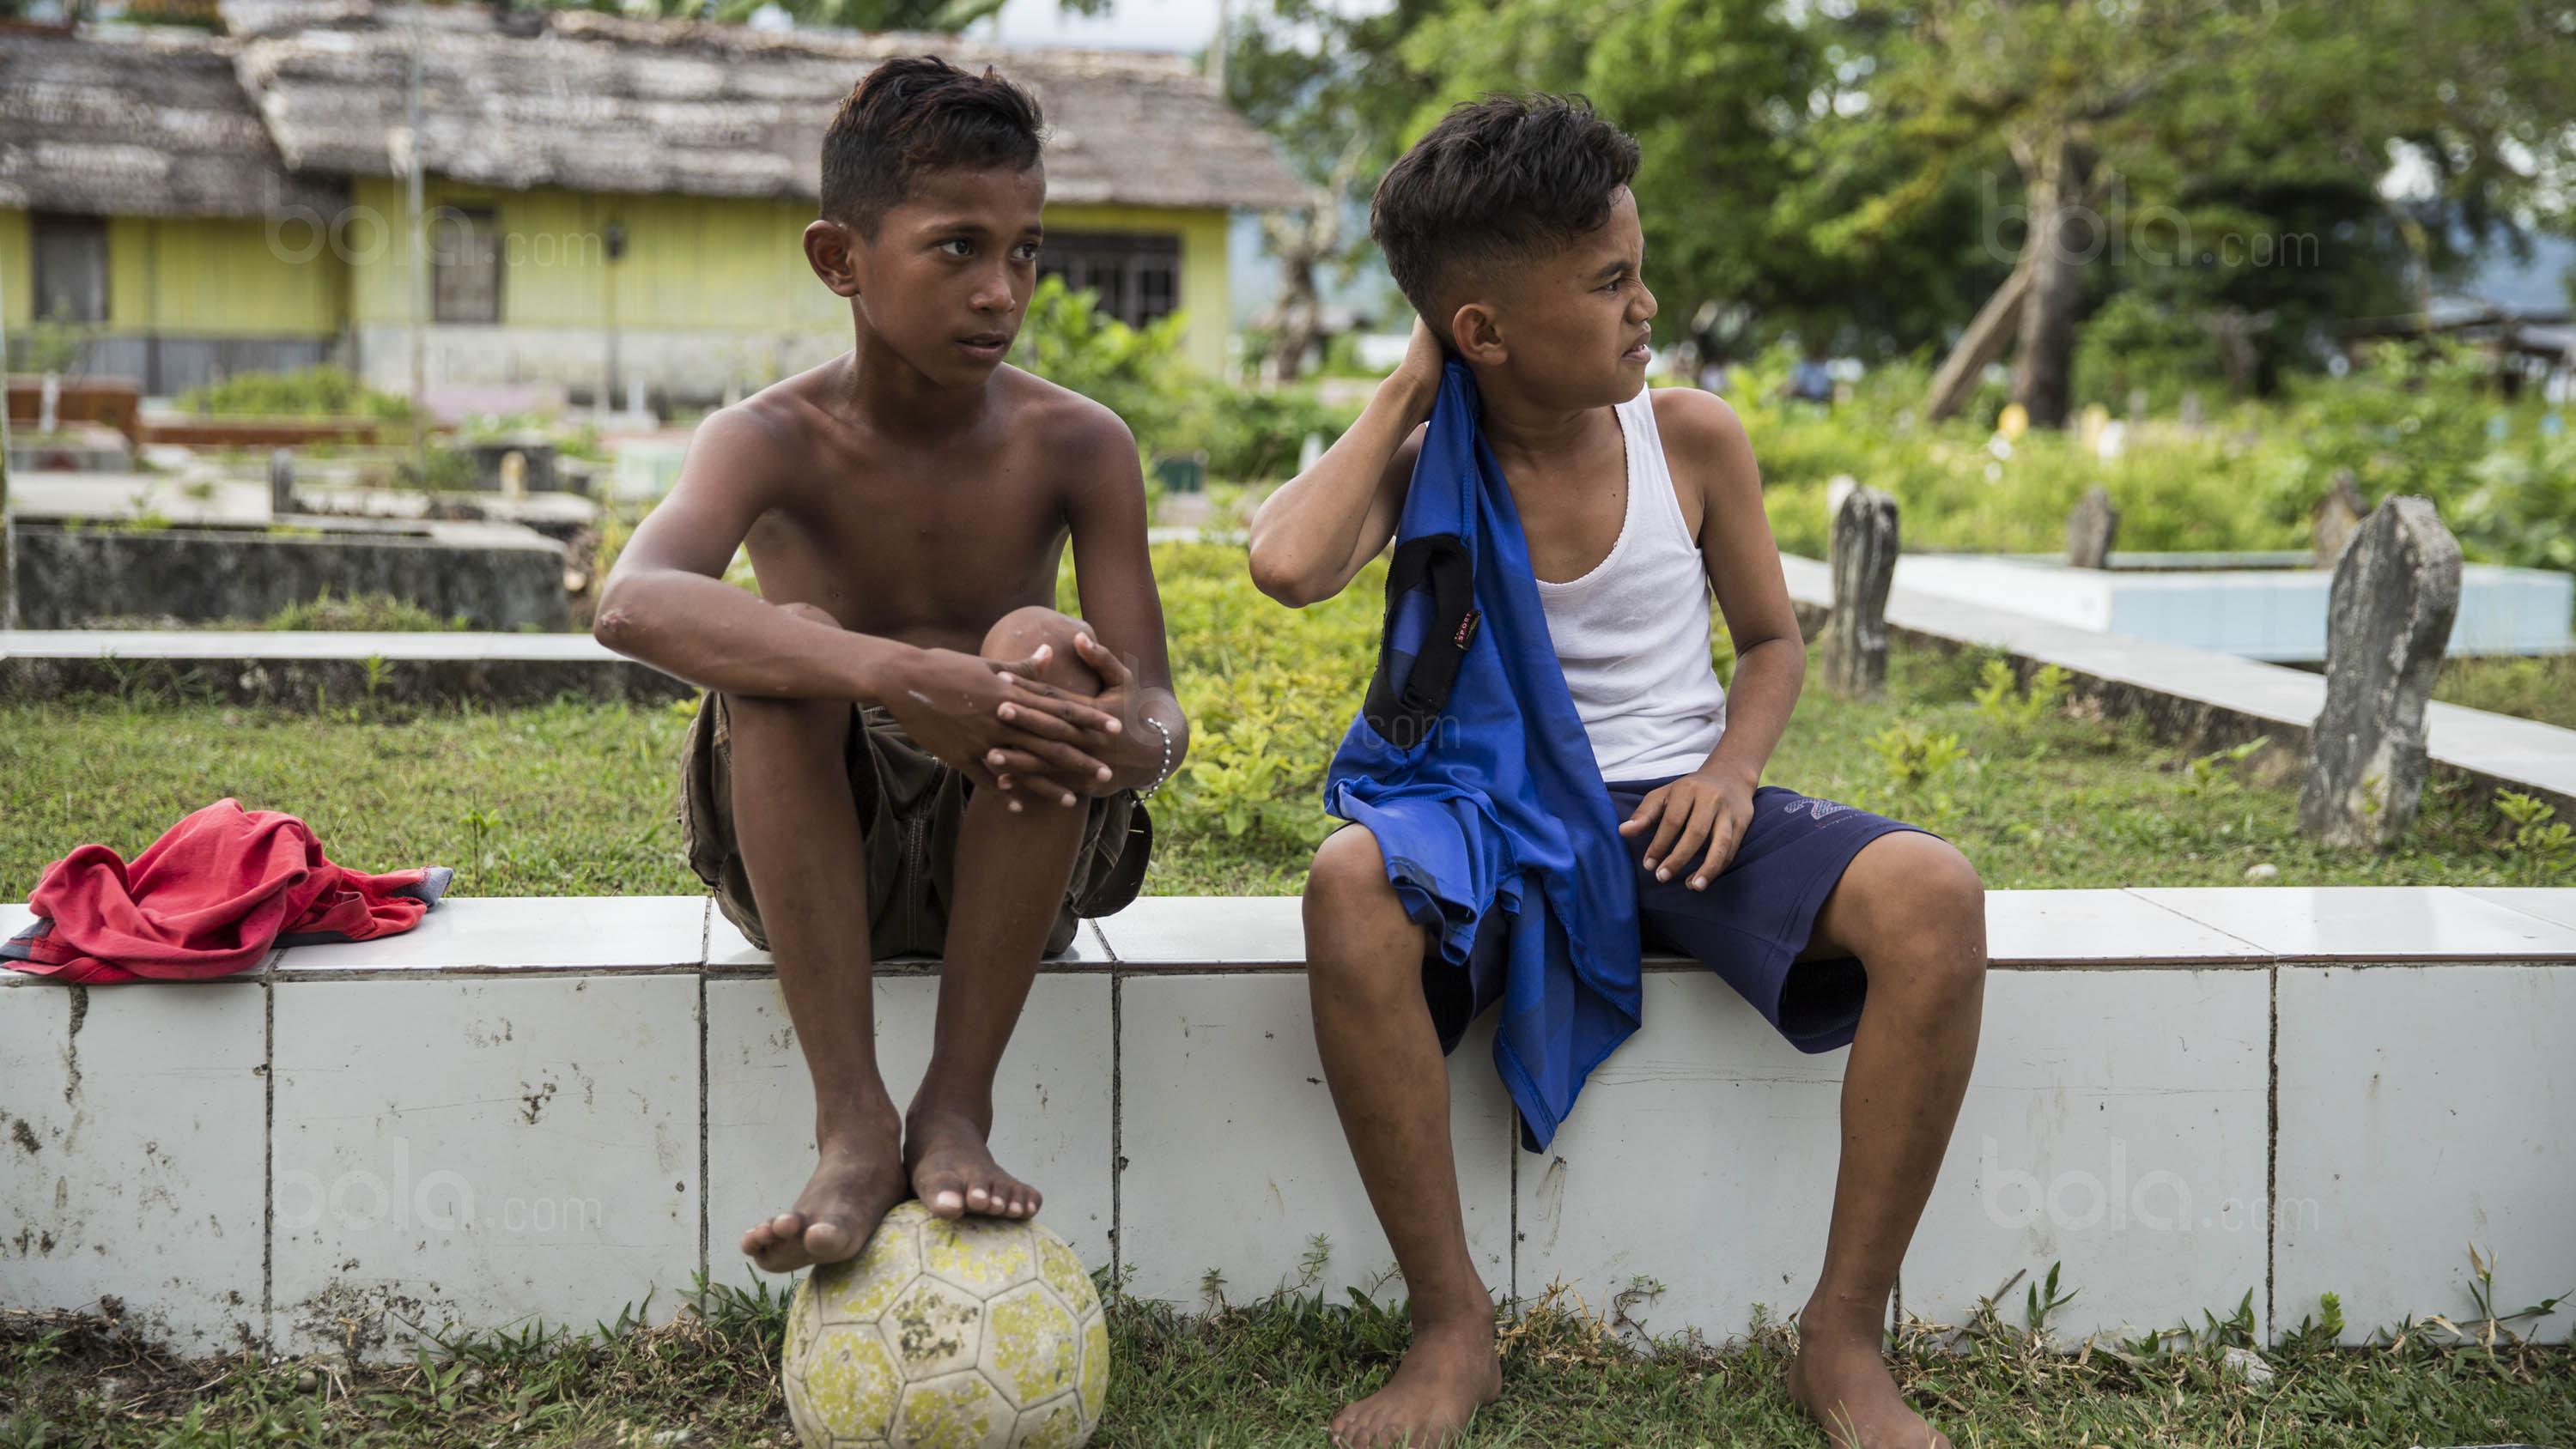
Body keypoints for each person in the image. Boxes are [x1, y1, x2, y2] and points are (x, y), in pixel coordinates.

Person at [1246, 95, 1987, 1449]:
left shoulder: (1691, 436)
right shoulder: (1428, 461)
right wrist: (1410, 385)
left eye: (1640, 269)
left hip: (1676, 812)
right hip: (1497, 816)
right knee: (1349, 881)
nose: (1648, 305)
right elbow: (1287, 566)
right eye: (1609, 283)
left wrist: (1732, 772)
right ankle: (1451, 1325)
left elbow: (1772, 644)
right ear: (1482, 333)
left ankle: (1843, 1338)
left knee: (1933, 893)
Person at [593, 57, 1186, 1274]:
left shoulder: (1079, 443)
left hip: (1016, 865)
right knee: (786, 650)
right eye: (957, 248)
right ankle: (854, 1124)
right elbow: (631, 603)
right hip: (811, 862)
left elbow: (1157, 708)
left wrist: (1126, 740)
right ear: (841, 260)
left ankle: (955, 1106)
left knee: (1039, 646)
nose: (1001, 291)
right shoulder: (767, 437)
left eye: (1025, 251)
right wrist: (897, 675)